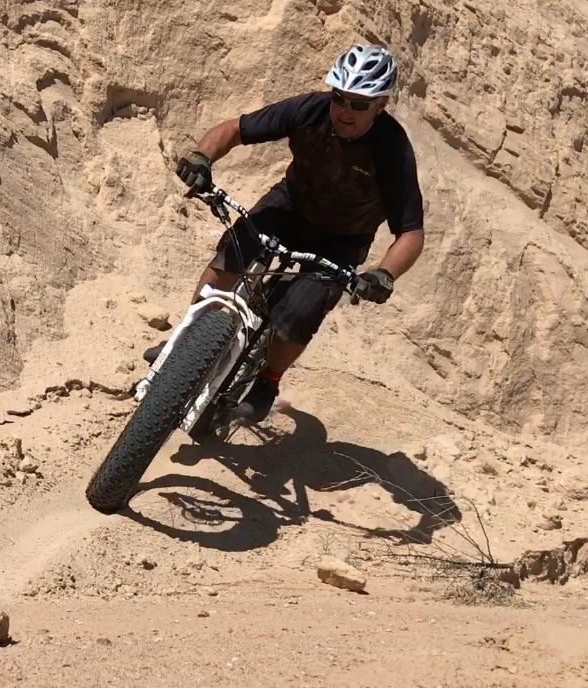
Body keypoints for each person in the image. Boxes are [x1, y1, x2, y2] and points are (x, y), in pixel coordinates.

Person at [149, 44, 425, 422]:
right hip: (291, 205)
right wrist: (201, 158)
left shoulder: (393, 148)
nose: (344, 110)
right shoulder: (309, 109)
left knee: (298, 312)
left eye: (359, 104)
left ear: (381, 105)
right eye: (339, 98)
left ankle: (268, 382)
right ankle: (186, 342)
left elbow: (410, 232)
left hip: (343, 240)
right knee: (233, 253)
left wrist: (384, 274)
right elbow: (235, 130)